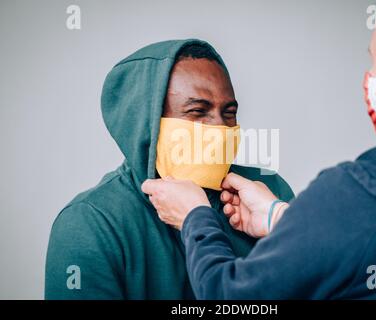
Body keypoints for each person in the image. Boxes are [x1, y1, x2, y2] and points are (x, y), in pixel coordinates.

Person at [142, 0, 376, 299]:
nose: (369, 78)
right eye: (198, 111)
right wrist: (281, 217)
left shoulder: (358, 193)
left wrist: (195, 218)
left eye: (375, 63)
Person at [45, 40, 294, 299]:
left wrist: (283, 225)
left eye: (229, 113)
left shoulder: (267, 193)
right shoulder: (91, 223)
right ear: (147, 123)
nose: (220, 127)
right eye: (198, 111)